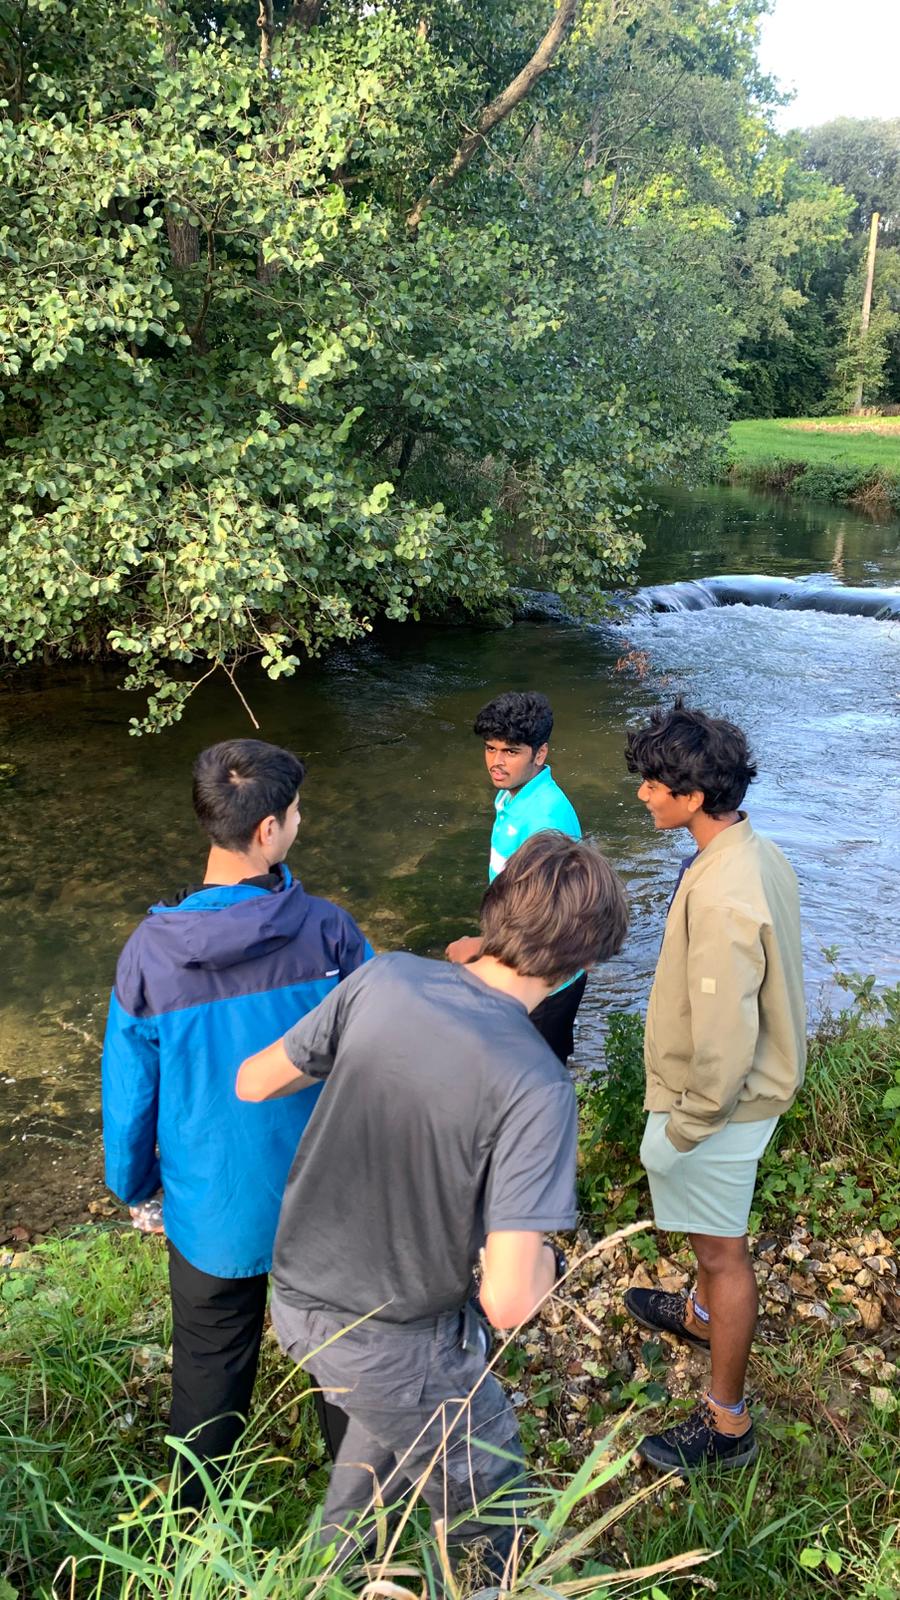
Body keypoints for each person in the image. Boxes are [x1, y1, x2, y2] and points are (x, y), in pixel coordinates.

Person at [237, 831, 629, 1577]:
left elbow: (254, 1081)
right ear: (580, 966)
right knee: (493, 1499)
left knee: (381, 1452)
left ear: (493, 910)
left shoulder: (384, 978)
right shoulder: (538, 1085)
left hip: (295, 1297)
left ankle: (330, 1578)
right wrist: (548, 1261)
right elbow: (509, 1302)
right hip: (393, 1335)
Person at [102, 738, 371, 1503]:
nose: (300, 822)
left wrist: (137, 1188)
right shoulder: (331, 935)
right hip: (326, 1203)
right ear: (267, 830)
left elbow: (130, 1101)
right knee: (346, 1368)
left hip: (213, 1212)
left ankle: (194, 1526)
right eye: (296, 812)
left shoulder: (149, 957)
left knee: (208, 1372)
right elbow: (379, 1057)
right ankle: (362, 1529)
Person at [623, 700, 806, 1474]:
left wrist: (685, 1128)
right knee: (712, 1236)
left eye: (653, 784)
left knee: (723, 1252)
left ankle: (728, 1423)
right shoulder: (748, 850)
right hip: (751, 1089)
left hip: (723, 1107)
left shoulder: (722, 891)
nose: (642, 794)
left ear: (693, 797)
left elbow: (725, 1040)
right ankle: (698, 1316)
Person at [446, 690, 585, 1064]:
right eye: (490, 749)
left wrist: (483, 947)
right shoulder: (515, 796)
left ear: (540, 753)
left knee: (531, 1075)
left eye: (510, 752)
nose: (496, 762)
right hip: (521, 964)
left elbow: (550, 920)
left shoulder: (545, 821)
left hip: (543, 980)